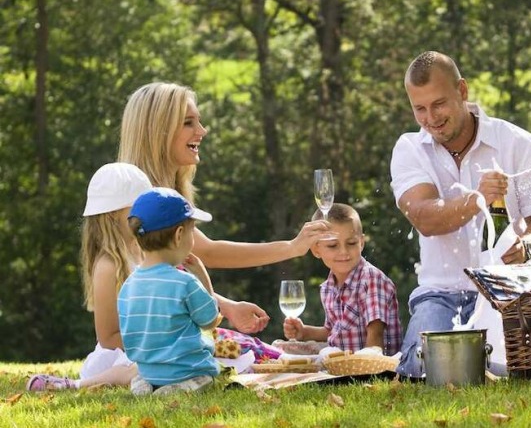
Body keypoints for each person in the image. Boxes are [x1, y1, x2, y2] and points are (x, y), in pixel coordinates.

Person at [390, 51, 531, 377]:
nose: (430, 118)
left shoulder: (517, 143)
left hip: (510, 292)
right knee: (421, 370)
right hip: (441, 295)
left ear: (463, 91)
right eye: (419, 109)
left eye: (438, 104)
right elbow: (425, 219)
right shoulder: (409, 149)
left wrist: (527, 246)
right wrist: (477, 200)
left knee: (529, 370)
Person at [118, 82, 332, 333]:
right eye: (188, 122)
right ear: (158, 132)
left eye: (198, 121)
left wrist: (227, 306)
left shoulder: (161, 192)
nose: (202, 130)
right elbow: (207, 253)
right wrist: (292, 247)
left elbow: (174, 273)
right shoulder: (140, 197)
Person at [26, 162, 152, 392]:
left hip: (152, 344)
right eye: (140, 207)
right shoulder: (108, 266)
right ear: (115, 214)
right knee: (149, 368)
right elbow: (107, 337)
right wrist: (156, 341)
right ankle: (72, 385)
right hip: (123, 355)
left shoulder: (145, 251)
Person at [118, 187, 221, 395]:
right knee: (208, 375)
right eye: (192, 231)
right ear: (179, 235)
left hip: (148, 371)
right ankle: (179, 388)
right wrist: (203, 275)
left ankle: (146, 386)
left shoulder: (128, 285)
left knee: (144, 376)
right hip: (189, 370)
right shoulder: (184, 282)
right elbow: (210, 321)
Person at [282, 204, 402, 356]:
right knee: (281, 349)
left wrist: (369, 373)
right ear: (316, 250)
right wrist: (304, 332)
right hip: (342, 364)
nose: (344, 252)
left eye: (351, 243)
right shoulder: (327, 288)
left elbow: (376, 336)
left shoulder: (371, 279)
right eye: (333, 245)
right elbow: (333, 332)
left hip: (371, 366)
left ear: (362, 243)